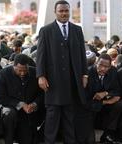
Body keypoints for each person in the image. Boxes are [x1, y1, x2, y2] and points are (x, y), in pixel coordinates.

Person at [36, 0, 88, 143]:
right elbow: (40, 55)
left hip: (73, 81)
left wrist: (84, 74)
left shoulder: (77, 30)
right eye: (61, 11)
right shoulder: (45, 31)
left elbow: (82, 54)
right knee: (52, 117)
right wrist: (40, 75)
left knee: (69, 117)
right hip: (53, 82)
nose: (64, 13)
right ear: (55, 12)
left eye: (66, 11)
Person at [0, 54, 43, 144]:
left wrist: (35, 104)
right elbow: (1, 97)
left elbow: (42, 94)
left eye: (25, 70)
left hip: (30, 110)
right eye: (19, 70)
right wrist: (20, 104)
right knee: (9, 114)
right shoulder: (3, 74)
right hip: (11, 107)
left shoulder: (35, 73)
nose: (22, 73)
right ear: (13, 66)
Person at [82, 53, 122, 144]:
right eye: (100, 65)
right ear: (96, 62)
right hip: (90, 107)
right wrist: (106, 101)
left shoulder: (113, 71)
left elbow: (117, 91)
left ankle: (107, 135)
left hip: (104, 103)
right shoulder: (88, 73)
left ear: (110, 66)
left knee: (119, 105)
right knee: (89, 140)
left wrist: (105, 93)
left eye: (106, 66)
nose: (103, 69)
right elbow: (86, 99)